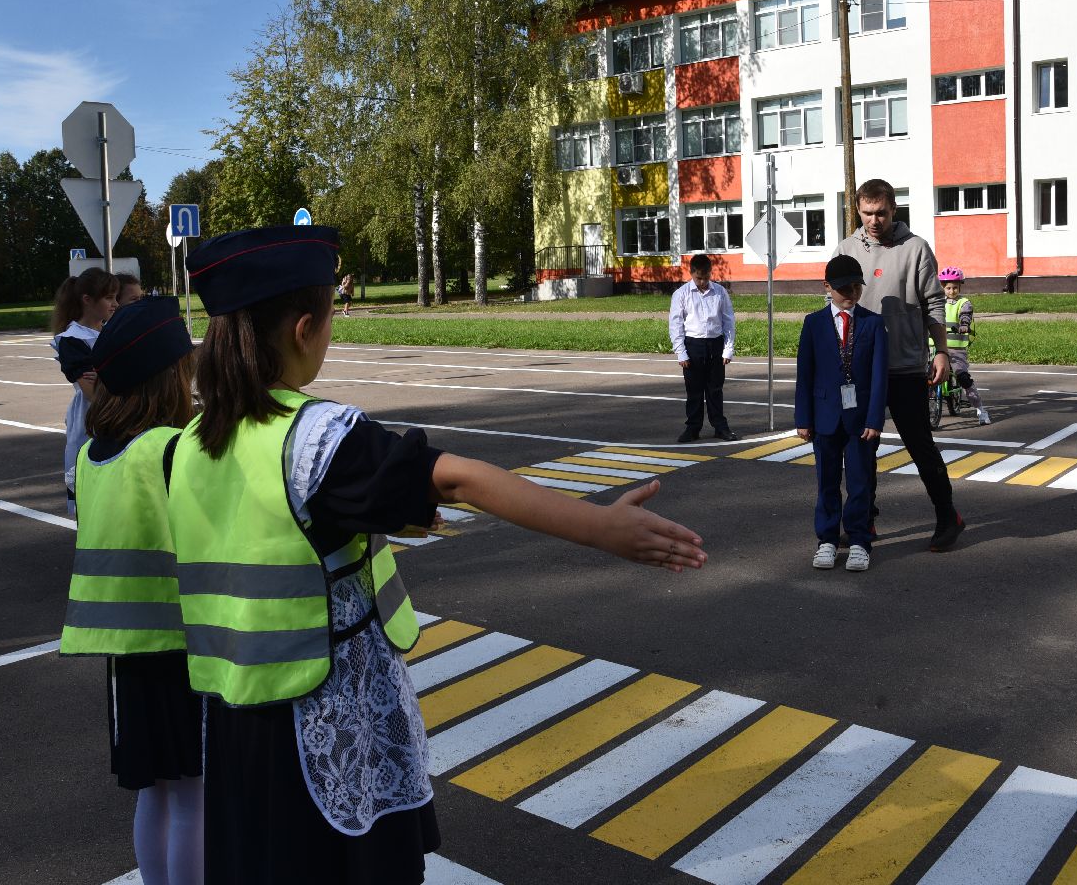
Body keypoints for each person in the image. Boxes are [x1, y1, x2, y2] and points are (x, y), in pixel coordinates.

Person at [168, 225, 706, 885]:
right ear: (305, 329)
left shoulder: (193, 443)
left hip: (235, 721)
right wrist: (602, 528)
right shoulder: (315, 438)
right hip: (324, 727)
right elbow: (458, 477)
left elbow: (275, 529)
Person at [61, 296, 202, 885]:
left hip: (125, 654)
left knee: (155, 793)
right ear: (171, 373)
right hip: (181, 647)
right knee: (197, 795)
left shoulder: (96, 454)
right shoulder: (171, 450)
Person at [835, 179, 967, 552]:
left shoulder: (916, 249)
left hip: (905, 367)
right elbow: (836, 305)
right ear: (857, 211)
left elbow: (934, 304)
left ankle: (948, 516)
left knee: (920, 446)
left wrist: (941, 351)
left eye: (880, 213)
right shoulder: (847, 250)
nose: (873, 220)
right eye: (866, 213)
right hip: (859, 370)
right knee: (862, 452)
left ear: (894, 210)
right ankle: (865, 522)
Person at [796, 255, 888, 572]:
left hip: (860, 419)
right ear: (827, 287)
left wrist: (875, 419)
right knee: (827, 482)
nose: (849, 292)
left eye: (854, 286)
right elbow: (804, 375)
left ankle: (860, 541)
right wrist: (803, 419)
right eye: (841, 287)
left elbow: (879, 377)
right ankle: (827, 541)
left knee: (861, 483)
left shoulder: (874, 324)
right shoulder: (813, 323)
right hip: (824, 418)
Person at [49, 267, 119, 514]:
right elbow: (92, 392)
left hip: (119, 419)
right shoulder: (73, 339)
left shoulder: (112, 332)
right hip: (90, 422)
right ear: (87, 300)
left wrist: (106, 375)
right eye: (108, 298)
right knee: (91, 502)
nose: (115, 303)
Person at [668, 253, 737, 443]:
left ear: (710, 273)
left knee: (715, 389)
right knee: (694, 390)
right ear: (691, 273)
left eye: (706, 277)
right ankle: (693, 427)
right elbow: (676, 325)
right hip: (693, 345)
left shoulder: (720, 292)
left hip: (715, 344)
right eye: (699, 278)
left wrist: (727, 349)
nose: (703, 282)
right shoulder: (681, 294)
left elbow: (728, 321)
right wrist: (681, 351)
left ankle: (720, 426)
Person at [939, 267, 991, 425]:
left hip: (956, 348)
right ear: (943, 287)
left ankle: (980, 409)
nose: (952, 290)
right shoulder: (938, 302)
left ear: (960, 287)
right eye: (948, 287)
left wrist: (964, 325)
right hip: (934, 346)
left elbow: (965, 316)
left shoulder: (964, 303)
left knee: (963, 377)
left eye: (955, 287)